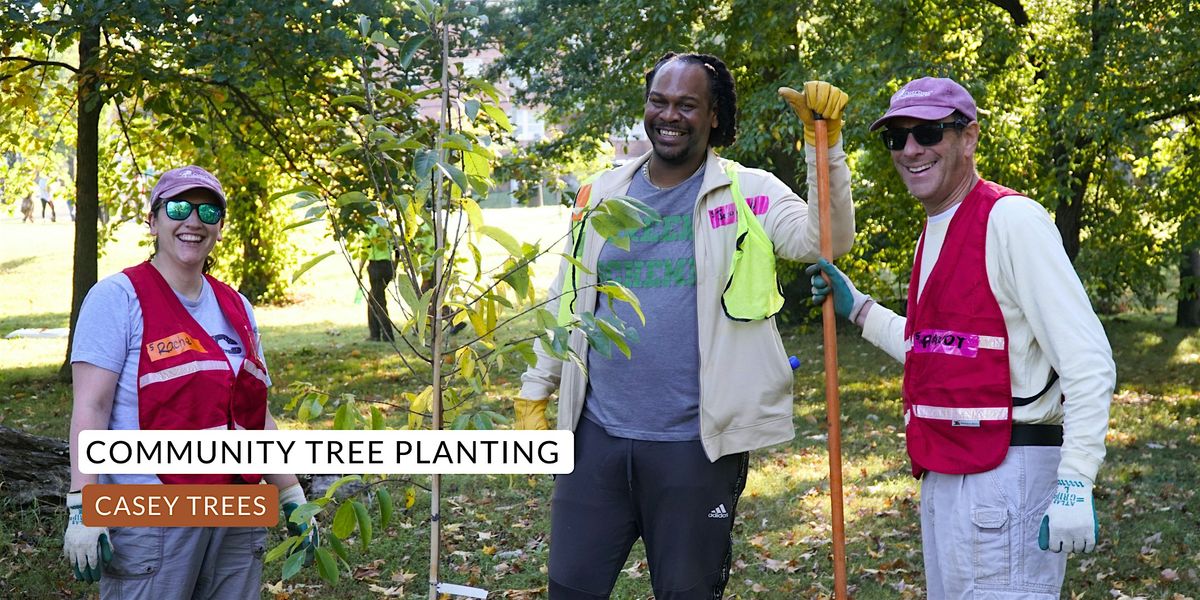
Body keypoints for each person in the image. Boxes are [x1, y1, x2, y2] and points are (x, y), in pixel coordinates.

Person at [515, 52, 855, 599]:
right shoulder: (600, 193)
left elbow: (825, 241)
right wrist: (537, 390)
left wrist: (827, 148)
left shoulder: (750, 190)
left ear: (714, 116)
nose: (669, 115)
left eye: (687, 105)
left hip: (695, 446)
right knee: (569, 588)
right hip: (594, 437)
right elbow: (567, 296)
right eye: (659, 101)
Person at [808, 77, 1115, 598]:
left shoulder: (1011, 220)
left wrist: (1075, 481)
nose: (910, 150)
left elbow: (1089, 364)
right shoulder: (935, 227)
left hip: (1007, 476)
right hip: (948, 474)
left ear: (969, 137)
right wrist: (859, 309)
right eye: (896, 138)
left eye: (928, 133)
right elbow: (939, 350)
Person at [63, 165, 318, 597]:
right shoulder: (117, 298)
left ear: (220, 225)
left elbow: (255, 415)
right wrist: (82, 505)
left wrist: (291, 492)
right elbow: (92, 407)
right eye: (179, 207)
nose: (193, 221)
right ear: (153, 219)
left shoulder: (236, 305)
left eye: (208, 210)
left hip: (237, 512)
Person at [359, 222, 396, 342]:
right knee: (372, 299)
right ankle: (374, 334)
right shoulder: (388, 227)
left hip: (376, 266)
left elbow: (364, 252)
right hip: (388, 266)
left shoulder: (369, 228)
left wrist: (359, 270)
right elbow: (397, 249)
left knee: (379, 302)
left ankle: (387, 335)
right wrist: (395, 266)